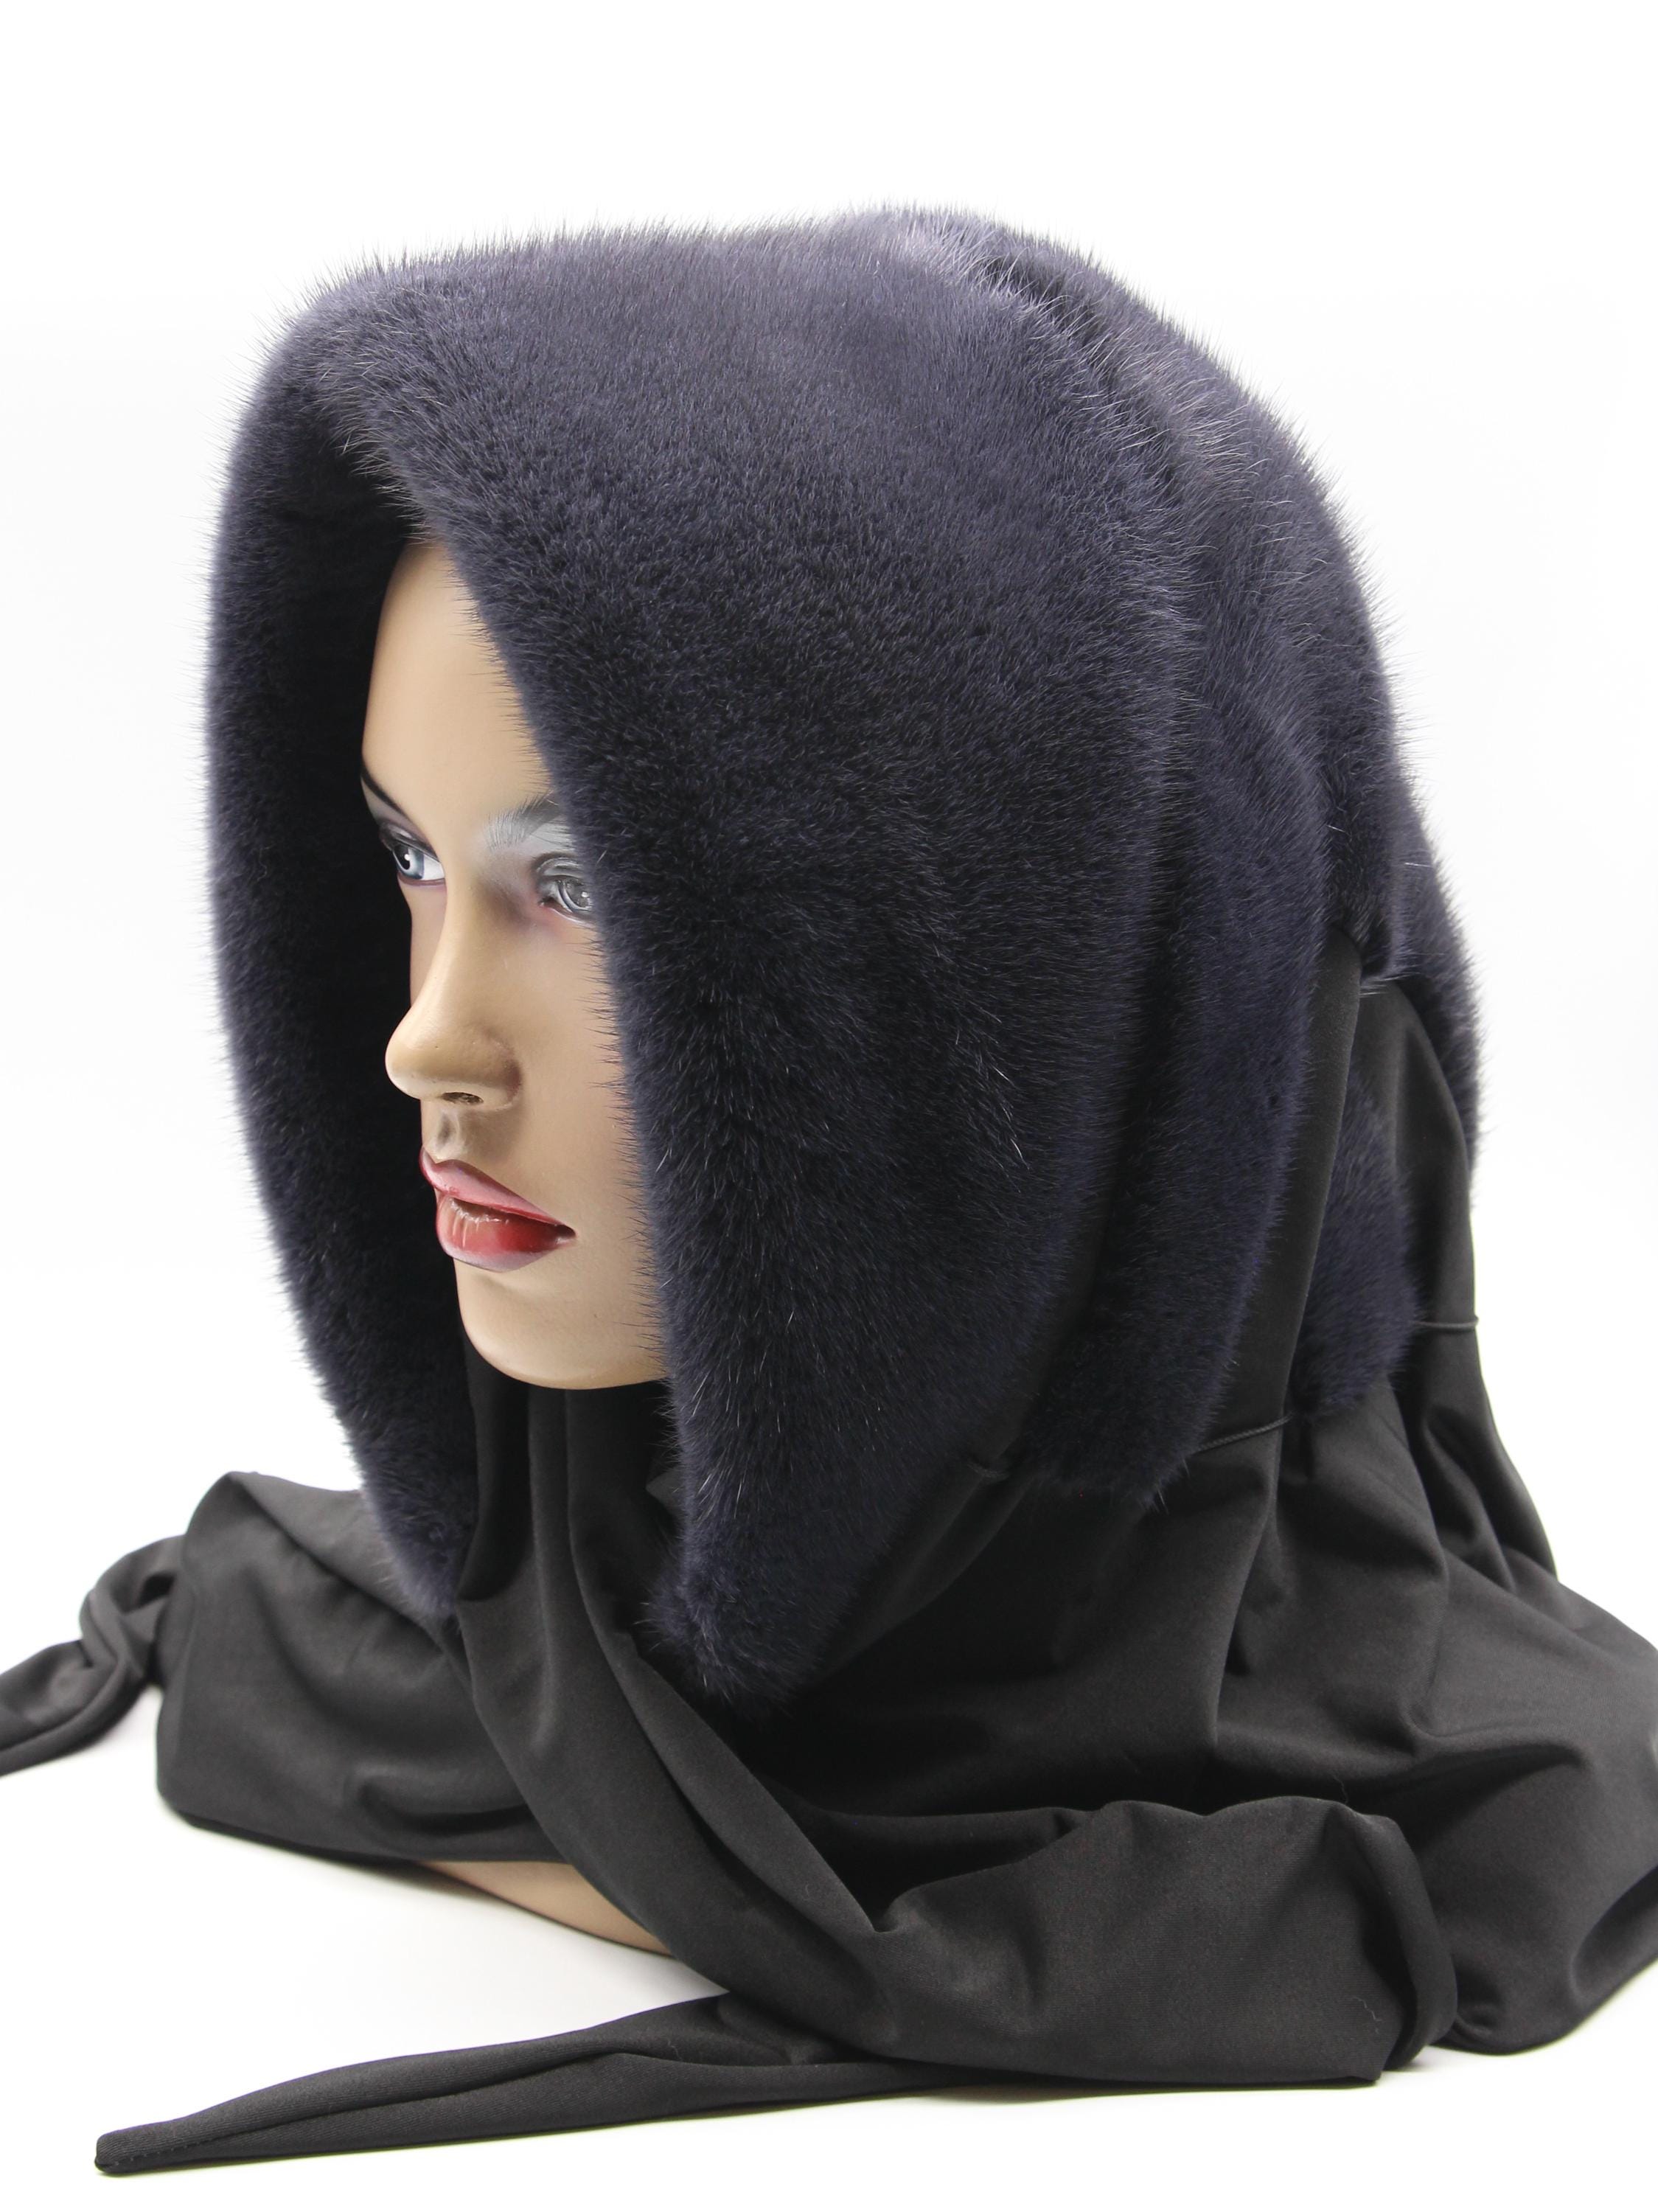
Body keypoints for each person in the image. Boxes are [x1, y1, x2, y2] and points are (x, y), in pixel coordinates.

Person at [4, 205, 1656, 2176]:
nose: (424, 1042)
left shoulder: (1478, 1798)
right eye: (410, 860)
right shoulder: (464, 1633)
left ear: (1033, 988)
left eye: (581, 885)